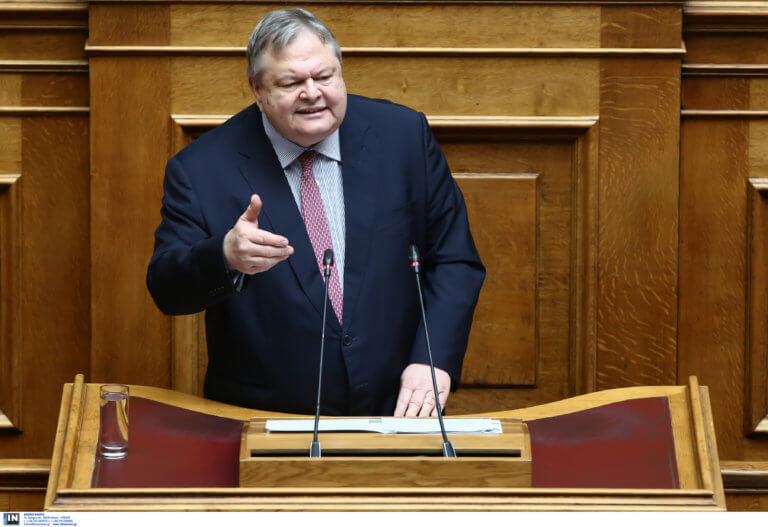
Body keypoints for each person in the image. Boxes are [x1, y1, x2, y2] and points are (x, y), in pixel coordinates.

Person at [147, 8, 485, 417]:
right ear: (257, 89)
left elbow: (454, 260)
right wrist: (224, 256)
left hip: (397, 408)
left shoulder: (403, 136)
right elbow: (166, 288)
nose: (312, 93)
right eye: (291, 83)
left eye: (324, 76)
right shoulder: (202, 168)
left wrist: (433, 359)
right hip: (267, 418)